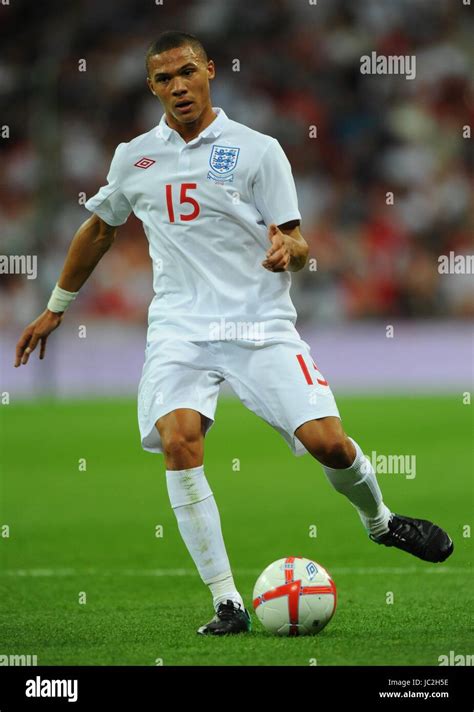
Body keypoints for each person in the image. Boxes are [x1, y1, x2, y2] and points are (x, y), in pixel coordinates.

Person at [14, 31, 453, 636]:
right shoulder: (134, 156)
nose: (178, 86)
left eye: (187, 72)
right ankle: (227, 601)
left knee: (330, 444)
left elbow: (296, 242)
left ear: (210, 71)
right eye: (164, 78)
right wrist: (57, 306)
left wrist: (290, 251)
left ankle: (379, 520)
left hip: (260, 325)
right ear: (152, 86)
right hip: (180, 330)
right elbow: (99, 228)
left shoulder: (258, 150)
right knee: (180, 440)